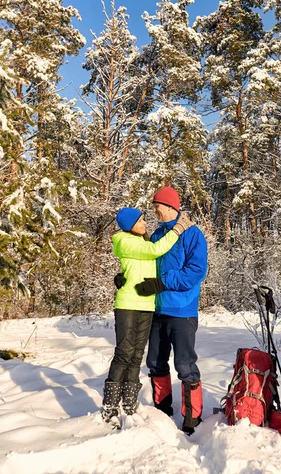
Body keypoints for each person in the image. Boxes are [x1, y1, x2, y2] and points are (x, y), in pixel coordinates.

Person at [101, 206, 192, 426]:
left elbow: (141, 265)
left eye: (143, 220)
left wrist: (123, 274)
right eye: (140, 221)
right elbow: (154, 252)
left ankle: (129, 403)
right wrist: (178, 229)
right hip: (128, 305)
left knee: (137, 353)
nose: (144, 223)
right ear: (129, 226)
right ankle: (110, 405)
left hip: (147, 304)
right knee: (124, 352)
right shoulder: (124, 240)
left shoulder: (141, 242)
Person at [135, 186, 208, 434]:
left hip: (182, 310)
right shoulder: (157, 236)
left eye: (157, 205)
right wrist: (127, 278)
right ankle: (162, 412)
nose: (154, 210)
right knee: (155, 362)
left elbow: (196, 272)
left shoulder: (192, 235)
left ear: (170, 207)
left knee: (185, 365)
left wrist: (164, 282)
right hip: (157, 310)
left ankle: (192, 418)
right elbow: (146, 266)